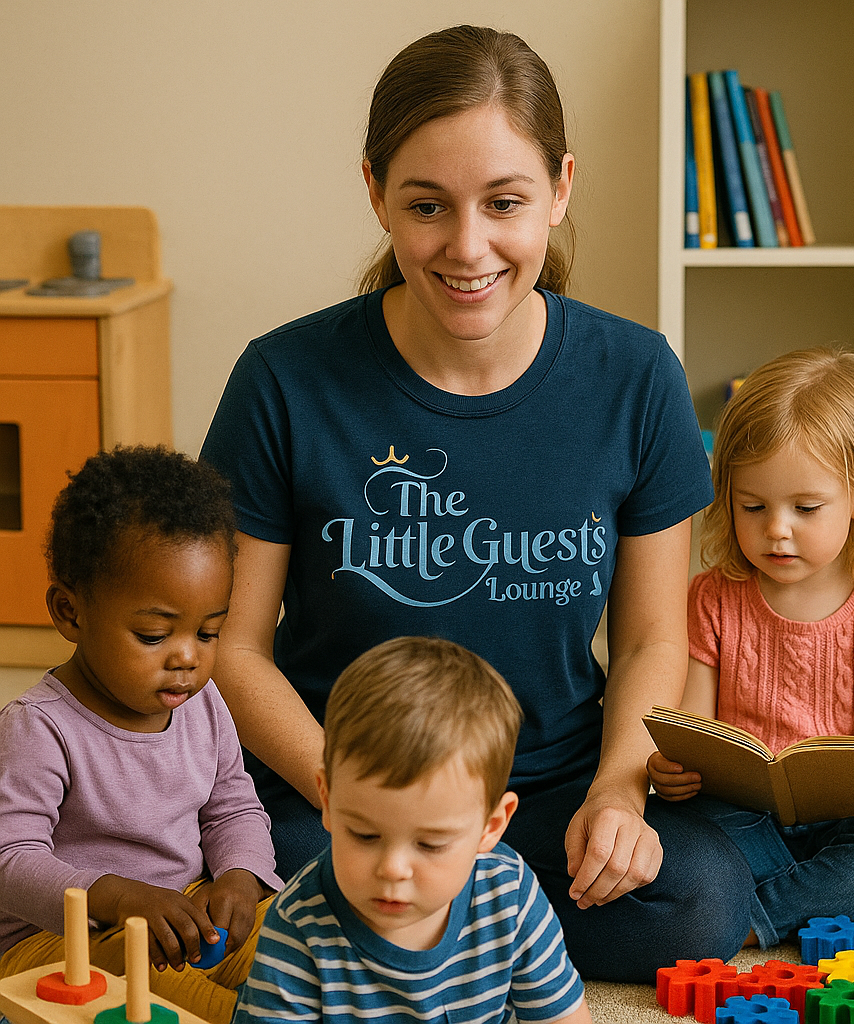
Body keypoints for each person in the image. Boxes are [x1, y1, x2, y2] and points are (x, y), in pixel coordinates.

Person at [199, 24, 754, 980]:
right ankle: (492, 950)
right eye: (427, 206)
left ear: (561, 188)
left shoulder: (638, 376)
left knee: (701, 896)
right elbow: (234, 646)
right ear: (375, 190)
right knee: (266, 884)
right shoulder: (282, 378)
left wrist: (620, 792)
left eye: (505, 202)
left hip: (544, 789)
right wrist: (357, 805)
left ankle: (429, 953)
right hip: (340, 793)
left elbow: (655, 639)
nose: (468, 247)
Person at [647, 348, 854, 963]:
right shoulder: (713, 597)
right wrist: (672, 773)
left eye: (805, 509)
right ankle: (842, 911)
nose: (776, 529)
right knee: (673, 840)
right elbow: (690, 731)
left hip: (844, 822)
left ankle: (754, 920)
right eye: (753, 506)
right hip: (740, 817)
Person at [0, 446, 283, 1024]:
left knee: (299, 955)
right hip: (61, 944)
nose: (186, 657)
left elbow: (234, 806)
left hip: (183, 916)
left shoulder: (204, 702)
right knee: (202, 1007)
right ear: (70, 612)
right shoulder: (40, 726)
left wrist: (238, 876)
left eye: (209, 633)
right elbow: (10, 859)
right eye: (154, 635)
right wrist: (118, 896)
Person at [234, 635, 591, 1024]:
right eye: (365, 835)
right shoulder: (298, 925)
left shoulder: (510, 893)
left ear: (492, 827)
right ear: (329, 799)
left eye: (431, 844)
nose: (393, 868)